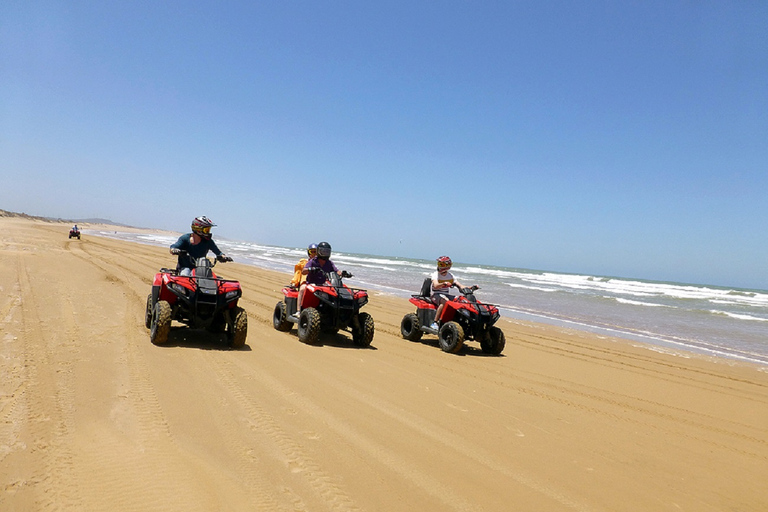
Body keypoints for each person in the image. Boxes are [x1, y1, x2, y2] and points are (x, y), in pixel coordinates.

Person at [295, 241, 342, 315]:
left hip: (324, 284)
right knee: (302, 289)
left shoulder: (329, 263)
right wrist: (311, 269)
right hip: (311, 284)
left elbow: (336, 271)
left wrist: (342, 273)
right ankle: (298, 310)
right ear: (319, 251)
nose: (325, 253)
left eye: (327, 252)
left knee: (335, 292)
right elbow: (304, 271)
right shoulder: (313, 261)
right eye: (323, 251)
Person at [430, 256, 471, 330]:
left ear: (448, 266)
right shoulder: (435, 275)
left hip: (445, 294)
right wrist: (443, 284)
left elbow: (460, 285)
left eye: (442, 264)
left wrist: (469, 288)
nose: (439, 266)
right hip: (435, 294)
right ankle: (435, 322)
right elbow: (435, 285)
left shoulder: (450, 276)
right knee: (445, 301)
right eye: (439, 263)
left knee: (460, 299)